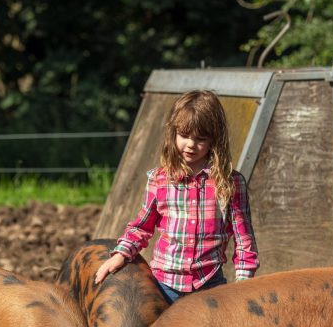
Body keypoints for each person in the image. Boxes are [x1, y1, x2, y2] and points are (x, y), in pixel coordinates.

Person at [94, 89, 259, 303]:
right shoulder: (159, 180)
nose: (191, 144)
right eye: (184, 136)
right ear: (173, 133)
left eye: (200, 138)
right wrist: (120, 255)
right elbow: (141, 227)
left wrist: (244, 282)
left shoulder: (230, 183)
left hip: (209, 284)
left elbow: (244, 239)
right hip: (164, 285)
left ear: (214, 140)